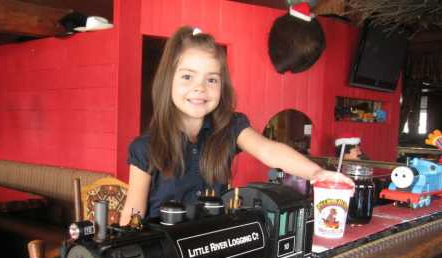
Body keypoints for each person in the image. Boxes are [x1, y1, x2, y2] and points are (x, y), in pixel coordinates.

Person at [120, 26, 353, 225]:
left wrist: (317, 173)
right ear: (167, 81)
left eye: (211, 79)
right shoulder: (144, 148)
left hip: (215, 248)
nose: (200, 88)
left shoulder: (229, 127)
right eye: (187, 77)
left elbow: (269, 150)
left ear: (222, 86)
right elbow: (133, 217)